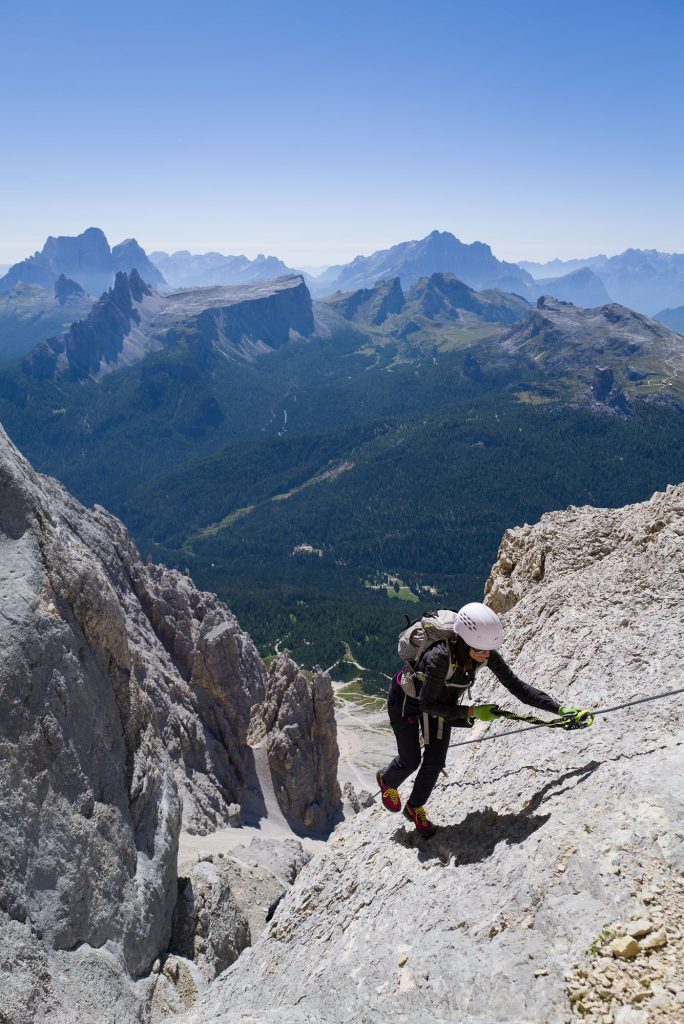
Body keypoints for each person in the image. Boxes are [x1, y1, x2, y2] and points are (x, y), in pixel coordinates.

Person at [376, 602, 593, 838]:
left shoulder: (484, 652)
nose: (486, 656)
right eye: (480, 651)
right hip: (407, 700)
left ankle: (414, 806)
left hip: (440, 703)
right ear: (463, 641)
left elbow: (517, 687)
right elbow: (427, 705)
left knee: (436, 761)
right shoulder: (439, 657)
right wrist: (471, 713)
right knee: (411, 760)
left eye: (488, 650)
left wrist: (560, 710)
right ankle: (387, 780)